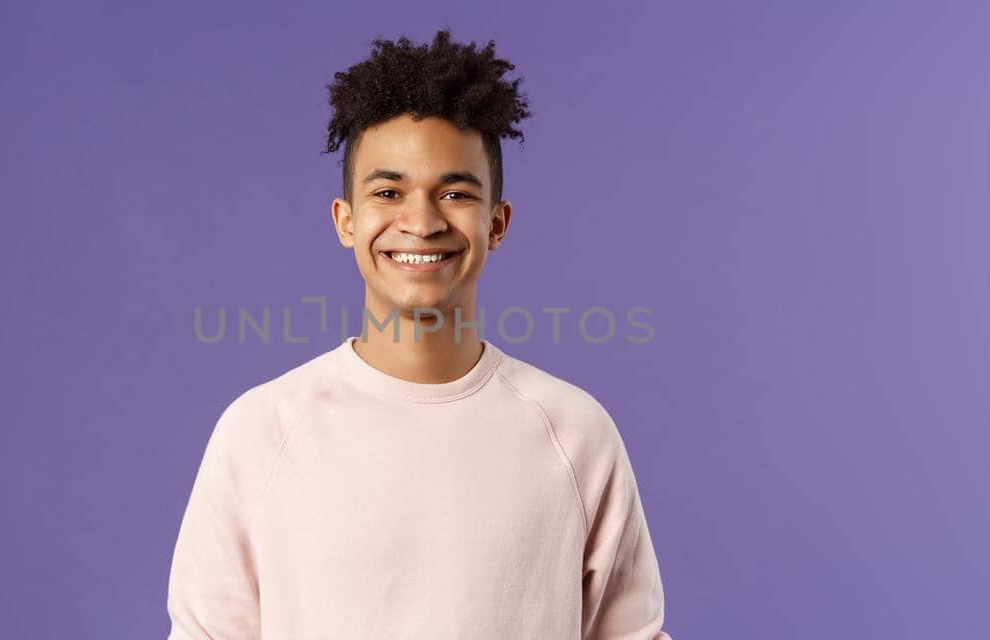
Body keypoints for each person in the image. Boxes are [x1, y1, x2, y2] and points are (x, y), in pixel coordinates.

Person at [167, 28, 672, 639]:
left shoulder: (574, 432)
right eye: (388, 191)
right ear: (346, 220)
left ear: (498, 222)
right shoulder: (262, 431)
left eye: (454, 193)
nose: (422, 222)